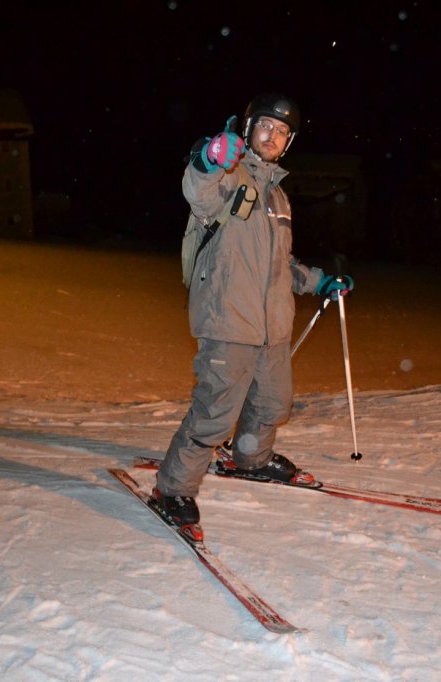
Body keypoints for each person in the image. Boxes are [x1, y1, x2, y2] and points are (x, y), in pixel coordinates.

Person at [153, 92, 354, 539]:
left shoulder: (279, 197)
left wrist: (318, 281)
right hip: (228, 319)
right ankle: (172, 489)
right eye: (266, 126)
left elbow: (279, 263)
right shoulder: (230, 174)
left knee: (271, 404)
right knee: (214, 414)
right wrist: (207, 157)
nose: (273, 136)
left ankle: (251, 458)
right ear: (248, 129)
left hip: (272, 326)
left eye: (282, 132)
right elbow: (197, 189)